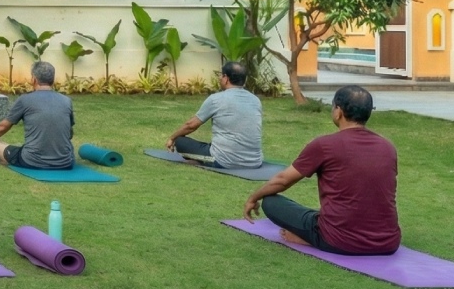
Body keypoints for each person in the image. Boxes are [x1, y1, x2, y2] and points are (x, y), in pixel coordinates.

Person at [243, 85, 400, 255]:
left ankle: (311, 239)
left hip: (339, 240)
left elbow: (282, 180)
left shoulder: (325, 145)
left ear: (338, 112)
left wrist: (253, 197)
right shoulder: (388, 147)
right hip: (387, 242)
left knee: (270, 202)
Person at [166, 60, 264, 169]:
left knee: (180, 141)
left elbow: (191, 125)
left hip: (224, 161)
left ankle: (201, 161)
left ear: (226, 78)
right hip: (254, 162)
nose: (220, 78)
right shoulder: (256, 100)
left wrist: (172, 138)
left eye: (221, 76)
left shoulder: (216, 99)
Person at [0, 60, 75, 170]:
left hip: (32, 161)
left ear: (33, 79)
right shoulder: (66, 101)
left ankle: (5, 158)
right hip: (65, 162)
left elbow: (3, 126)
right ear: (53, 80)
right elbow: (69, 133)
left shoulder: (25, 100)